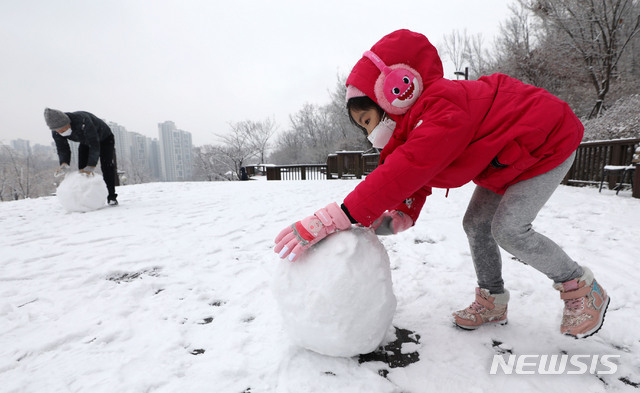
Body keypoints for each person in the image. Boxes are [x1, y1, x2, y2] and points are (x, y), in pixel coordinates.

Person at [274, 29, 609, 339]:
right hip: (507, 158)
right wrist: (403, 210)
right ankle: (492, 300)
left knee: (509, 229)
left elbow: (414, 164)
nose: (369, 134)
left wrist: (339, 214)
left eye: (367, 121)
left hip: (547, 144)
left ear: (393, 95)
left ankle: (580, 286)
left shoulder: (443, 105)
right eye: (362, 128)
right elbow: (417, 171)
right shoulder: (417, 127)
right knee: (477, 224)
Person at [44, 108, 118, 205]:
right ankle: (84, 200)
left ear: (68, 122)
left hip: (105, 138)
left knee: (107, 166)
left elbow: (94, 144)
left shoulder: (83, 120)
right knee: (82, 169)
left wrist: (91, 165)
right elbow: (62, 148)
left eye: (64, 128)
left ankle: (111, 197)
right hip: (85, 141)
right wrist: (64, 163)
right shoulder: (56, 131)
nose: (62, 131)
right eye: (59, 130)